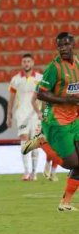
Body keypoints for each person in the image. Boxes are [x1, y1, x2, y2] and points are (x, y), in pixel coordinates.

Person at [21, 32, 79, 211]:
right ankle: (43, 142)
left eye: (66, 45)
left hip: (74, 118)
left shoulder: (77, 63)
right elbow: (41, 93)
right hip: (57, 120)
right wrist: (66, 101)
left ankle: (65, 203)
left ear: (73, 45)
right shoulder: (54, 67)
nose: (63, 48)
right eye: (60, 45)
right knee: (72, 164)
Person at [6, 54, 44, 181]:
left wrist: (44, 112)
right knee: (24, 140)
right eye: (24, 61)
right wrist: (9, 115)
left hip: (35, 115)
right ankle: (26, 171)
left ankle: (34, 172)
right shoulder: (15, 79)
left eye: (28, 61)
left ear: (32, 63)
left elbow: (44, 97)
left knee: (35, 143)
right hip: (21, 114)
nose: (26, 63)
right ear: (21, 63)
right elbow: (11, 99)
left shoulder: (40, 78)